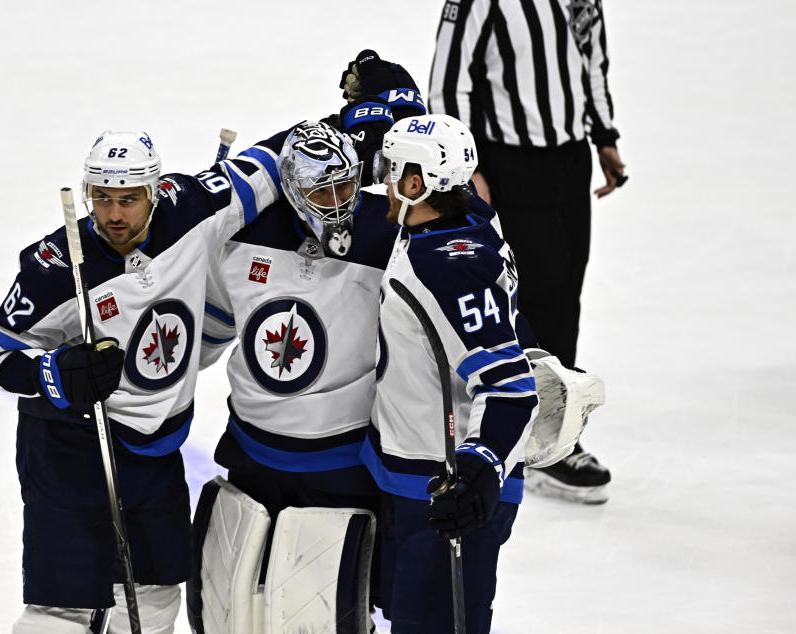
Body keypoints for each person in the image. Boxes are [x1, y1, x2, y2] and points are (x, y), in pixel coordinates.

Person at [0, 127, 284, 633]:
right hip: (70, 447)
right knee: (65, 603)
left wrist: (356, 121)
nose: (114, 214)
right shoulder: (55, 265)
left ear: (154, 191)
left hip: (153, 448)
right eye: (102, 199)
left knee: (155, 588)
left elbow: (270, 166)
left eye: (128, 199)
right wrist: (56, 374)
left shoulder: (190, 209)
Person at [188, 52, 426, 632]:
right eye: (321, 193)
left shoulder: (392, 231)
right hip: (250, 454)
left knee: (319, 616)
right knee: (230, 612)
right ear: (290, 192)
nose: (338, 203)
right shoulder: (245, 232)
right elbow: (211, 331)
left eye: (347, 186)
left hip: (345, 467)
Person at [428, 0, 625, 503]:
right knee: (529, 294)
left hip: (569, 160)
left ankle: (555, 433)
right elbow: (450, 83)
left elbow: (590, 59)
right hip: (508, 161)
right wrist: (467, 170)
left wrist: (603, 135)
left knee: (566, 293)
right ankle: (519, 434)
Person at [361, 113, 538, 633]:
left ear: (417, 183)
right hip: (415, 478)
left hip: (446, 494)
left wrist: (479, 468)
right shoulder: (461, 216)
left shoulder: (448, 265)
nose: (385, 182)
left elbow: (509, 388)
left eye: (394, 171)